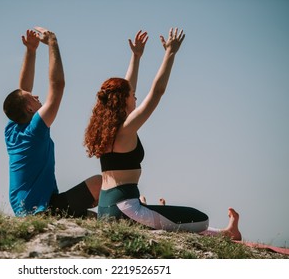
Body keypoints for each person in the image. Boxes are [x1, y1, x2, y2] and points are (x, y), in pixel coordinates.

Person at [83, 28, 241, 240]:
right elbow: (156, 92)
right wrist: (171, 53)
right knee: (200, 219)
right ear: (123, 100)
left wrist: (136, 57)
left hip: (107, 209)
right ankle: (225, 234)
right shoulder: (126, 129)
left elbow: (127, 86)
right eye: (133, 96)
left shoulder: (106, 130)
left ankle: (227, 233)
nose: (136, 98)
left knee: (173, 219)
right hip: (127, 211)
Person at [4, 26, 101, 217]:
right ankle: (120, 213)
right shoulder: (35, 131)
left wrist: (31, 51)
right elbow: (58, 86)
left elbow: (22, 90)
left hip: (32, 207)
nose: (36, 95)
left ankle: (95, 216)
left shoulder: (12, 128)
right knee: (100, 182)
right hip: (41, 209)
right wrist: (52, 43)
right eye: (32, 97)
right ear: (30, 109)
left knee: (94, 217)